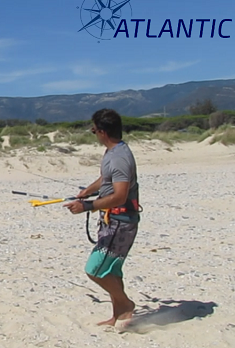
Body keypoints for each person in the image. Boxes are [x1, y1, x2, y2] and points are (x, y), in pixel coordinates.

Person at [63, 108, 140, 327]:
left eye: (94, 130)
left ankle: (126, 305)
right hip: (112, 221)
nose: (93, 133)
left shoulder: (119, 159)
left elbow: (120, 195)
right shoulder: (113, 152)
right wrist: (87, 190)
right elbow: (105, 179)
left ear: (103, 132)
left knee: (95, 270)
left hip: (121, 222)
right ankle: (119, 316)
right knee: (112, 270)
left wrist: (87, 206)